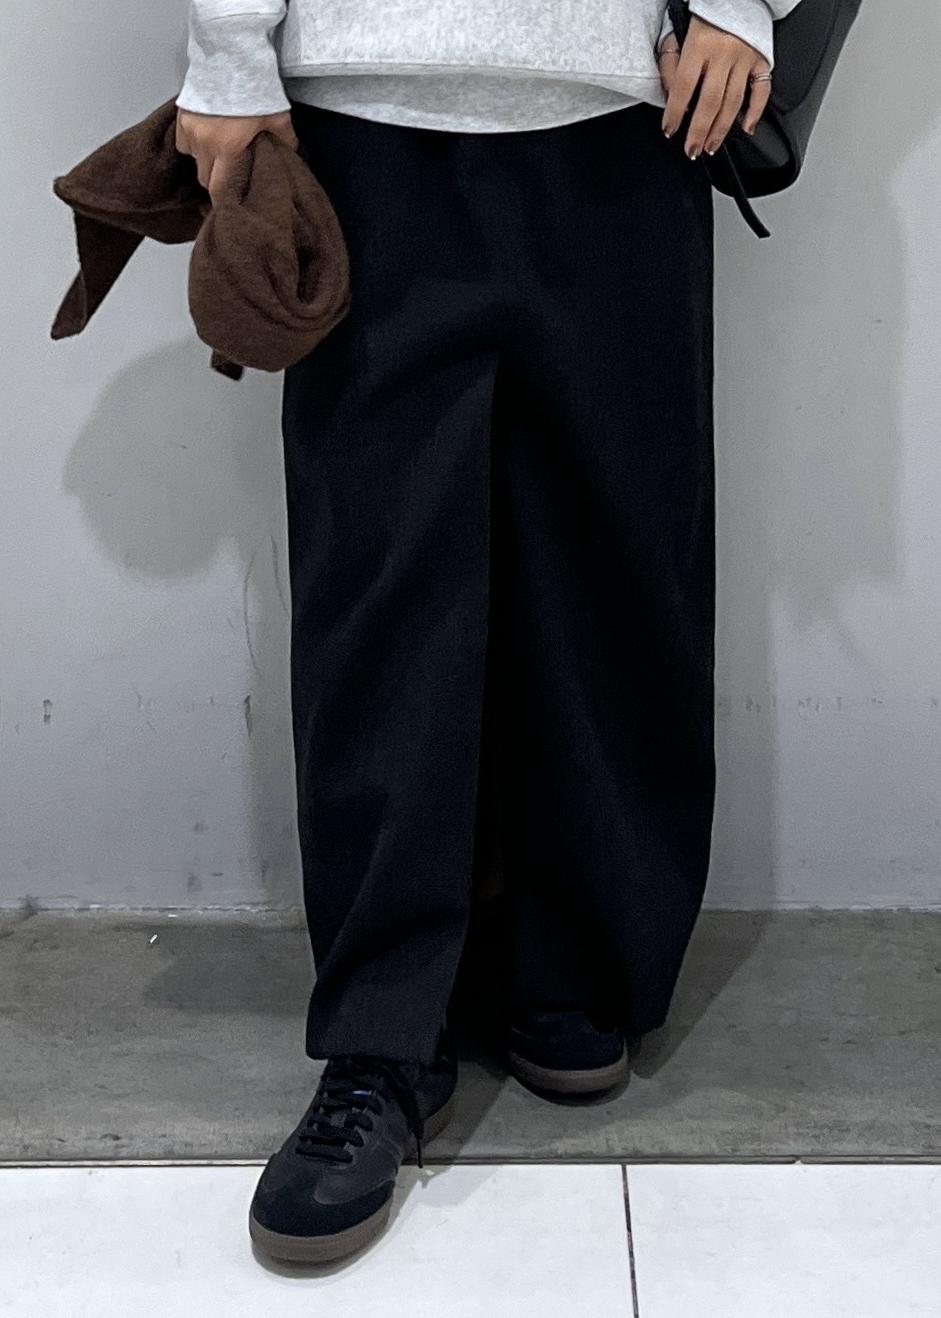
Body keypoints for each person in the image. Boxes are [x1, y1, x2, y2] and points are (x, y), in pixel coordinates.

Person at [175, 0, 798, 1265]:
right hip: (361, 113)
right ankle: (380, 1038)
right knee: (377, 593)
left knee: (619, 564)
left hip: (630, 109)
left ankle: (577, 967)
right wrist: (229, 46)